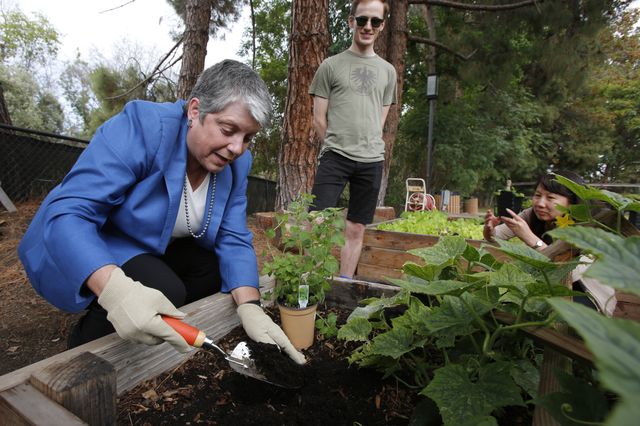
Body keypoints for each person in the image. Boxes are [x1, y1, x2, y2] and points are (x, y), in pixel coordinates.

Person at [18, 60, 305, 364]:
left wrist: (251, 306)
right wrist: (118, 292)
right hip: (95, 240)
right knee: (163, 286)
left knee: (213, 269)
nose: (237, 148)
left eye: (248, 138)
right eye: (228, 129)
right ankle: (85, 351)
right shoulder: (144, 127)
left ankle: (157, 339)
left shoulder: (236, 166)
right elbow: (68, 213)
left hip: (154, 247)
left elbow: (233, 238)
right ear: (195, 111)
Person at [308, 0, 397, 279]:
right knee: (316, 221)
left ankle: (342, 286)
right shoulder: (330, 66)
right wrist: (336, 145)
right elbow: (318, 119)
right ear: (351, 21)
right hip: (335, 156)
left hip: (371, 161)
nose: (368, 26)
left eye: (375, 21)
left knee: (356, 228)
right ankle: (312, 284)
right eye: (362, 20)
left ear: (382, 26)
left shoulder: (388, 72)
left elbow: (380, 119)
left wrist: (366, 144)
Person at [483, 171, 616, 314]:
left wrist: (531, 239)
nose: (540, 203)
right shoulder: (532, 214)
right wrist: (489, 228)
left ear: (571, 203)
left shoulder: (589, 228)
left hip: (585, 294)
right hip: (548, 286)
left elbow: (572, 272)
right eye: (538, 195)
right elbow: (495, 236)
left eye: (550, 197)